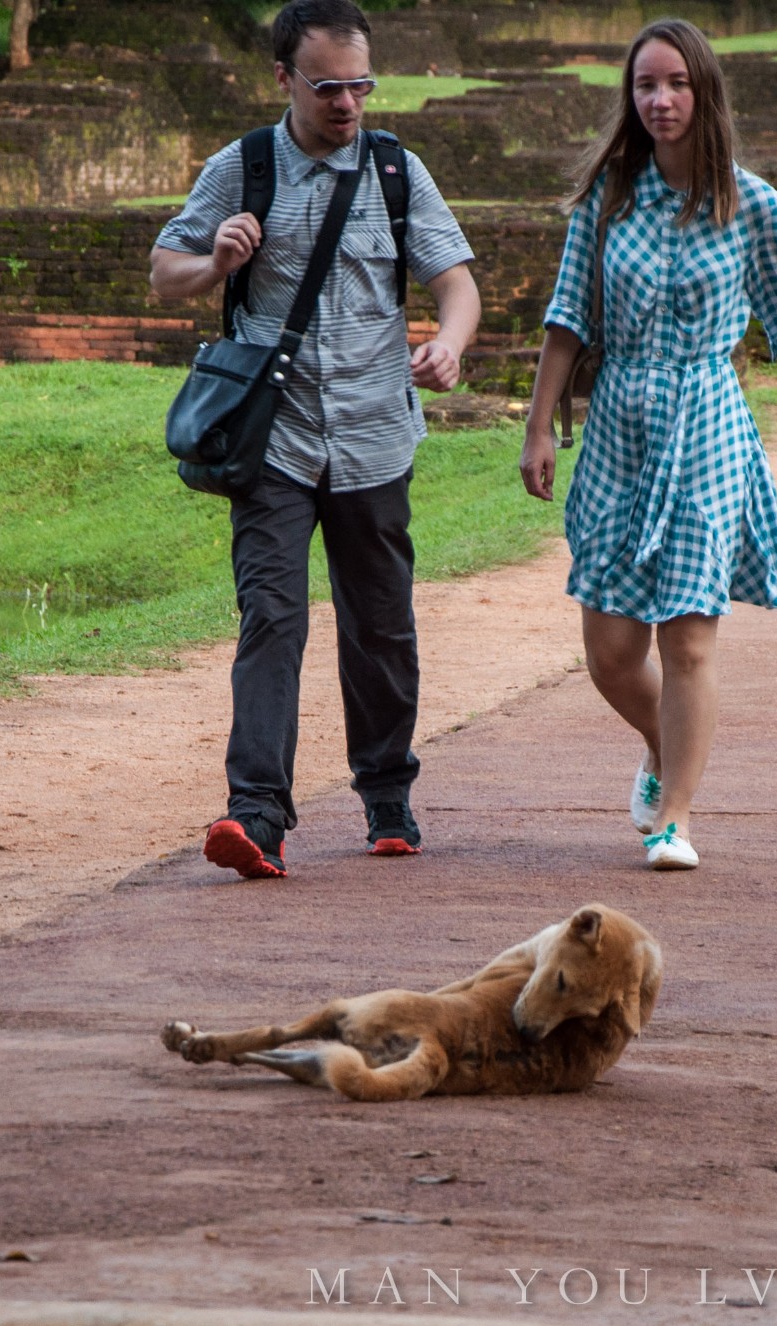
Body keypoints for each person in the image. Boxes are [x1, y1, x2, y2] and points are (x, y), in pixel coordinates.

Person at [519, 19, 777, 872]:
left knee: (688, 642)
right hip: (620, 426)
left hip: (707, 422)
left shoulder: (754, 205)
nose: (660, 99)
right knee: (609, 652)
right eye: (645, 86)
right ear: (630, 100)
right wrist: (538, 425)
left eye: (675, 84)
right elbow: (568, 319)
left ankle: (673, 818)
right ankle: (662, 744)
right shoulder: (608, 201)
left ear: (704, 92)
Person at [150, 0, 483, 878]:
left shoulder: (396, 171)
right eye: (327, 85)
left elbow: (456, 282)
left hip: (376, 437)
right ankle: (255, 816)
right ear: (283, 79)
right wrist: (215, 261)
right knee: (272, 617)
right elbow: (163, 272)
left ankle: (387, 797)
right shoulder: (243, 168)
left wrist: (449, 341)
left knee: (381, 625)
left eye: (359, 85)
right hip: (275, 442)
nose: (347, 103)